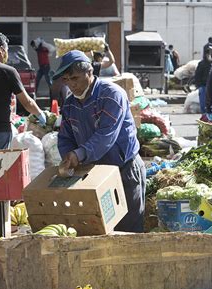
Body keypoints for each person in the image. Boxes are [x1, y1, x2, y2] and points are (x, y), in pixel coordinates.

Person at [54, 50, 146, 233]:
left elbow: (106, 136)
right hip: (95, 174)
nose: (72, 85)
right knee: (101, 230)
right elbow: (65, 137)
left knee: (129, 232)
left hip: (124, 169)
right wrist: (68, 156)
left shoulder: (112, 94)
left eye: (75, 78)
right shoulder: (70, 104)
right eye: (67, 80)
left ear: (89, 72)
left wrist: (78, 154)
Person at [194, 47, 212, 116]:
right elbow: (197, 75)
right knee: (203, 102)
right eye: (209, 53)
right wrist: (199, 85)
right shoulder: (202, 63)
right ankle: (204, 116)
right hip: (203, 86)